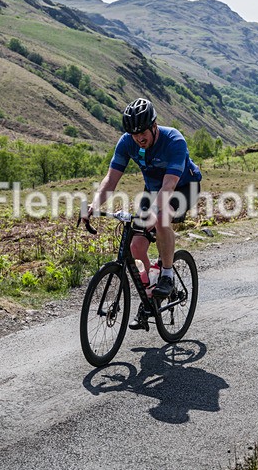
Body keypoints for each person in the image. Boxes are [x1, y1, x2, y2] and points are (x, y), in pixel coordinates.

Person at [84, 98, 202, 330]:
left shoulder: (174, 141)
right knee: (136, 247)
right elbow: (111, 180)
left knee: (162, 218)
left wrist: (153, 214)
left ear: (154, 125)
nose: (139, 138)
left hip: (182, 187)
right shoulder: (126, 143)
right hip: (154, 190)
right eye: (134, 133)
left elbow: (169, 186)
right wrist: (93, 205)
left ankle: (166, 275)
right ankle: (150, 296)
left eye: (142, 132)